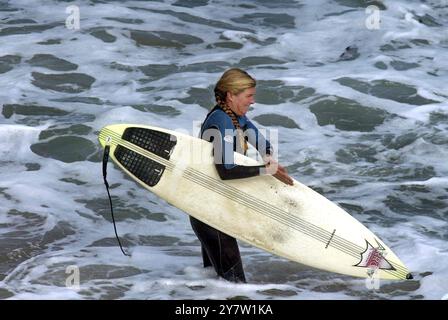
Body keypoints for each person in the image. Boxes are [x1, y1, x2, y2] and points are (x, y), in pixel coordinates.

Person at [189, 68, 294, 283]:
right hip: (210, 216)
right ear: (231, 95)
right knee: (235, 288)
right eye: (249, 96)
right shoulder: (222, 122)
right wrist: (266, 170)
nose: (252, 101)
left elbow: (261, 141)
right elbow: (225, 170)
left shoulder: (236, 117)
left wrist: (267, 156)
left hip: (212, 209)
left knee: (216, 285)